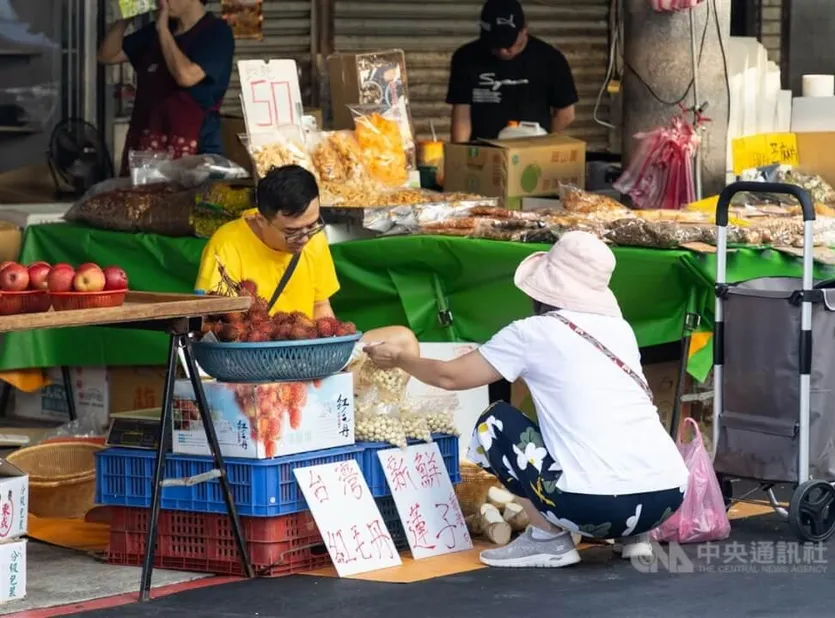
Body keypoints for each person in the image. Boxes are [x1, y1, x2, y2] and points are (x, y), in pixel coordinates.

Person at [365, 232, 689, 568]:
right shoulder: (620, 330)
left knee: (494, 423)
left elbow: (451, 377)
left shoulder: (531, 332)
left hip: (594, 506)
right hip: (666, 498)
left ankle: (547, 539)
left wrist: (400, 359)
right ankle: (634, 537)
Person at [194, 164, 418, 352]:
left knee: (403, 340)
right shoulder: (226, 245)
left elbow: (320, 305)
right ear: (262, 220)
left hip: (309, 350)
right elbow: (214, 321)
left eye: (312, 225)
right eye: (291, 231)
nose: (304, 238)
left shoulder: (314, 238)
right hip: (254, 354)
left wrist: (329, 348)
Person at [98, 0, 235, 174]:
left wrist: (163, 31)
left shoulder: (216, 33)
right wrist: (126, 16)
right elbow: (107, 55)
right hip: (146, 144)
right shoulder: (153, 32)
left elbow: (185, 76)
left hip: (193, 148)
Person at [446, 0, 578, 142]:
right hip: (483, 149)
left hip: (531, 147)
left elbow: (566, 113)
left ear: (524, 30)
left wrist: (545, 144)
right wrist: (459, 151)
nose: (502, 51)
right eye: (495, 45)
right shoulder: (466, 57)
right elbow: (462, 115)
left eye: (509, 44)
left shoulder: (550, 59)